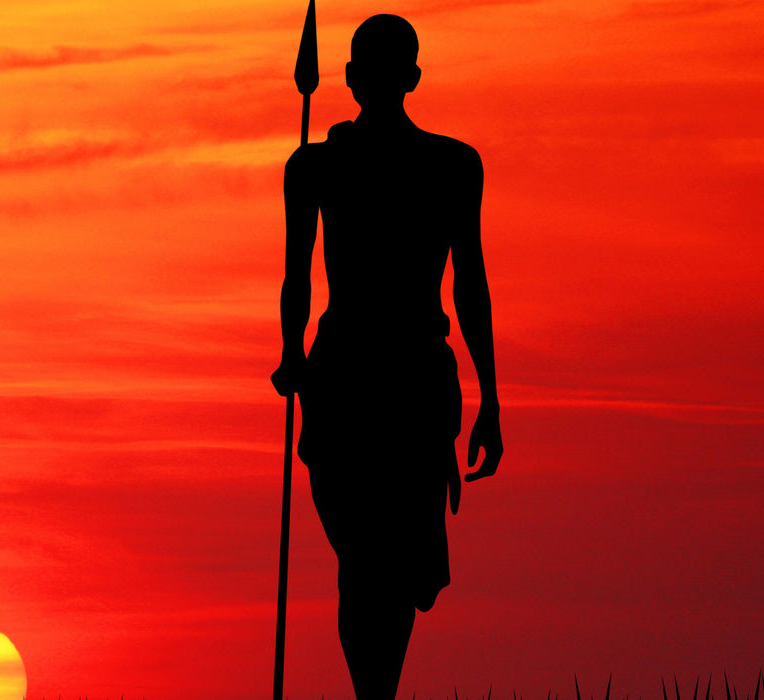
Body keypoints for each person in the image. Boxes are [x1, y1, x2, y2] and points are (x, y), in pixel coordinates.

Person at [269, 14, 503, 700]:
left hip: (401, 374)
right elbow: (296, 276)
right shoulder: (314, 167)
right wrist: (291, 352)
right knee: (368, 557)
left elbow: (470, 283)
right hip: (348, 372)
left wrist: (490, 395)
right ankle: (376, 695)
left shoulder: (449, 165)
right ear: (410, 77)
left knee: (388, 563)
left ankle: (375, 695)